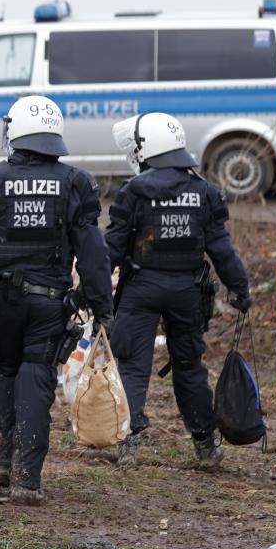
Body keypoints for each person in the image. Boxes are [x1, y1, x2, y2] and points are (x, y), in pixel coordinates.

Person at [0, 95, 113, 505]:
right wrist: (102, 305)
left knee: (2, 370)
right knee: (36, 376)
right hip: (50, 302)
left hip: (3, 300)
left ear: (14, 131)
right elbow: (92, 251)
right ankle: (27, 480)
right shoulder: (76, 183)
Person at [105, 112, 251, 468]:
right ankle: (205, 446)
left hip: (140, 288)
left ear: (147, 148)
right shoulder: (205, 191)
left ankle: (128, 444)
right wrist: (239, 289)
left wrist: (93, 292)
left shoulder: (134, 191)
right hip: (188, 290)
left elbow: (112, 247)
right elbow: (221, 249)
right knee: (189, 366)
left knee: (133, 366)